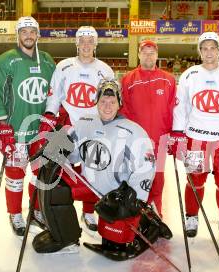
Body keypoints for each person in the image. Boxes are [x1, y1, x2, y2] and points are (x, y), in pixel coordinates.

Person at [32, 80, 171, 258]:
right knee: (52, 185)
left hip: (116, 195)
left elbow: (147, 166)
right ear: (96, 102)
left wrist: (134, 197)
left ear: (119, 104)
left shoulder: (133, 131)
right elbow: (72, 151)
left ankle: (147, 222)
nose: (107, 106)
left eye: (112, 102)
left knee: (114, 245)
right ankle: (65, 237)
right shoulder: (85, 123)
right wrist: (57, 145)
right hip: (89, 185)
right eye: (103, 101)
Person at [169, 32, 219, 244]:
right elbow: (181, 106)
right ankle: (191, 217)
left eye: (213, 48)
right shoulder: (189, 75)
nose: (209, 52)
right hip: (196, 137)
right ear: (199, 52)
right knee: (195, 179)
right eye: (205, 48)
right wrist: (177, 134)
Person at [43, 26, 115, 234]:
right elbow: (55, 94)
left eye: (90, 41)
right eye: (82, 41)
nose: (86, 45)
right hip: (66, 128)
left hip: (93, 129)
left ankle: (89, 211)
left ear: (95, 44)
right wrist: (49, 116)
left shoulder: (105, 70)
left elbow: (109, 100)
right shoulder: (64, 66)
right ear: (76, 43)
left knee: (92, 172)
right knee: (57, 172)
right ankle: (58, 213)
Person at [0, 16, 56, 237]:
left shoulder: (47, 60)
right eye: (24, 32)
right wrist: (2, 125)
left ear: (38, 35)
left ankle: (36, 211)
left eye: (32, 31)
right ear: (18, 35)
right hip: (16, 130)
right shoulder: (4, 61)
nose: (28, 36)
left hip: (41, 132)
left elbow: (54, 94)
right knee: (15, 175)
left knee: (40, 175)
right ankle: (15, 214)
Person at [120, 40, 176, 217]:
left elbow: (174, 110)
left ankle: (155, 215)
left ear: (157, 55)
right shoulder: (128, 79)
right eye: (145, 52)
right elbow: (124, 110)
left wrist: (174, 135)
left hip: (160, 140)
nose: (148, 55)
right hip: (137, 141)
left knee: (157, 180)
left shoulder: (168, 80)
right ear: (138, 54)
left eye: (152, 52)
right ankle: (136, 215)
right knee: (136, 178)